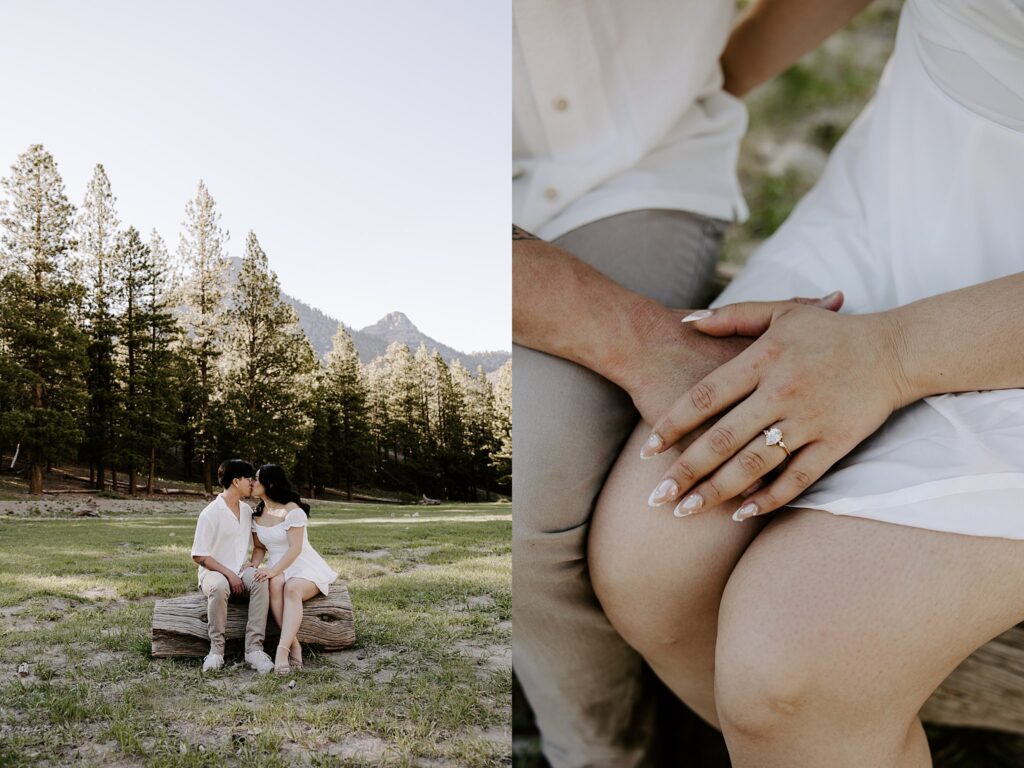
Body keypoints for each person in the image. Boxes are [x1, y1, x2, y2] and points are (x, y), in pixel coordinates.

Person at [587, 0, 1024, 765]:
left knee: (791, 670)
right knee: (648, 566)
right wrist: (705, 88)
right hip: (910, 187)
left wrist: (891, 354)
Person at [512, 1, 863, 764]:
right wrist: (638, 340)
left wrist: (710, 78)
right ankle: (602, 749)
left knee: (533, 464)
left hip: (641, 176)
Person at [249, 463, 338, 675]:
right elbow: (260, 547)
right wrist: (254, 564)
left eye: (257, 478)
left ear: (269, 483)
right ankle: (295, 645)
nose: (252, 482)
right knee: (274, 584)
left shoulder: (292, 510)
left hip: (303, 564)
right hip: (278, 567)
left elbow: (296, 549)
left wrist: (273, 570)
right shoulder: (257, 514)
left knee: (291, 589)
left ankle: (281, 650)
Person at [189, 458, 275, 674]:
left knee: (260, 580)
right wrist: (229, 574)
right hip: (213, 573)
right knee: (219, 586)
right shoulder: (210, 513)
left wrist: (252, 565)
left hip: (239, 571)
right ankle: (216, 651)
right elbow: (199, 555)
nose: (252, 483)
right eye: (249, 478)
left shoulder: (247, 511)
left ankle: (254, 650)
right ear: (236, 481)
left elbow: (259, 546)